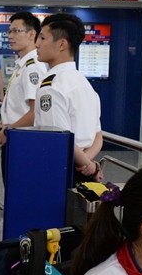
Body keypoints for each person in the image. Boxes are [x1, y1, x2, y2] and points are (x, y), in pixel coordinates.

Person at [33, 13, 103, 181]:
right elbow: (98, 135)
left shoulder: (51, 87)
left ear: (62, 44)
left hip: (61, 169)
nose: (37, 44)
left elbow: (61, 138)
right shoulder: (84, 83)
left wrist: (90, 167)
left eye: (42, 38)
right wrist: (89, 164)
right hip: (84, 164)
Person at [0, 12, 47, 147]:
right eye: (10, 31)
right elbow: (18, 105)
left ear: (31, 34)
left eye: (16, 31)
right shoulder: (22, 64)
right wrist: (3, 123)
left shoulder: (32, 67)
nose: (10, 36)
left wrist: (7, 131)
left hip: (22, 138)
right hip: (13, 132)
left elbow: (35, 112)